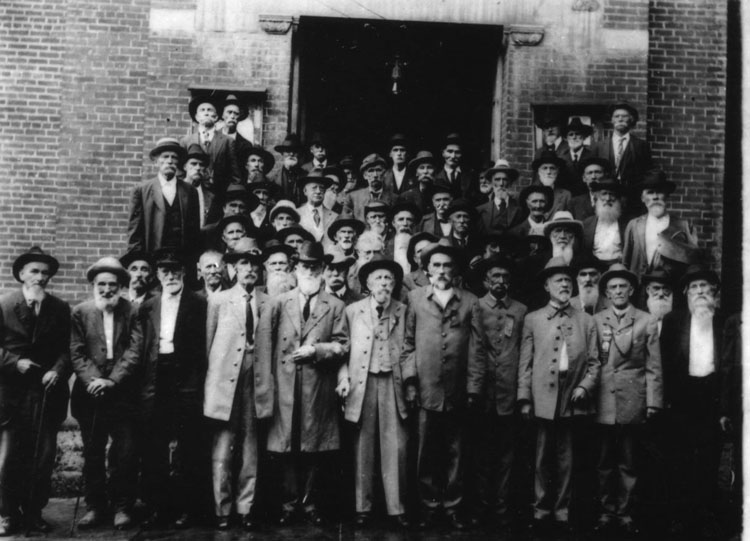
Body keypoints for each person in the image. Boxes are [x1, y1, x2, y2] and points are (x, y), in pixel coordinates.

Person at [254, 241, 349, 527]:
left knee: (313, 449)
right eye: (304, 266)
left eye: (315, 266)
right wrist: (266, 389)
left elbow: (343, 345)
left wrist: (317, 350)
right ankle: (288, 504)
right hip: (284, 387)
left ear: (322, 270)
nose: (310, 270)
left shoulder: (335, 306)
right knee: (285, 448)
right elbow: (264, 348)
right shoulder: (279, 303)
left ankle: (310, 506)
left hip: (317, 387)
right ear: (296, 269)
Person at [400, 238, 486, 530]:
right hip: (426, 388)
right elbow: (407, 343)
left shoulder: (470, 301)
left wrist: (474, 388)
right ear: (426, 269)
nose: (441, 270)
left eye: (447, 265)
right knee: (426, 451)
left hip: (458, 390)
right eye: (435, 265)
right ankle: (429, 505)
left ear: (456, 270)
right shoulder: (414, 299)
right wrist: (410, 381)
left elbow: (476, 348)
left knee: (456, 451)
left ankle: (453, 506)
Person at [123, 249, 207, 529]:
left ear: (184, 272)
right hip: (157, 377)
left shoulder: (198, 303)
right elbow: (142, 347)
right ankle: (161, 508)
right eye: (164, 271)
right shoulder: (148, 306)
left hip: (186, 378)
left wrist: (195, 384)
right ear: (158, 275)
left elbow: (202, 350)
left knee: (187, 446)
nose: (170, 275)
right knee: (155, 446)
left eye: (175, 270)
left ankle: (188, 508)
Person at [517, 257, 600, 534]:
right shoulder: (533, 319)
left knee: (567, 457)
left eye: (567, 280)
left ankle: (562, 510)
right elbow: (525, 364)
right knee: (542, 457)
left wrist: (584, 386)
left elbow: (595, 362)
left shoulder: (586, 321)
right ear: (546, 285)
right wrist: (525, 399)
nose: (564, 284)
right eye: (558, 280)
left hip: (572, 396)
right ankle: (541, 509)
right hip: (542, 396)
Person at [336, 257, 410, 529]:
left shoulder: (403, 310)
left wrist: (410, 383)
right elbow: (342, 348)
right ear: (367, 283)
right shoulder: (353, 311)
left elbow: (410, 348)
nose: (383, 284)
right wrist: (343, 378)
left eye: (388, 279)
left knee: (396, 447)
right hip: (361, 383)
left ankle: (396, 508)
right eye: (378, 279)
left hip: (393, 383)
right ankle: (362, 508)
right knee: (362, 448)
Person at [0, 247, 70, 535]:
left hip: (46, 394)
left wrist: (58, 370)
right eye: (34, 271)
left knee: (42, 458)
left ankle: (34, 512)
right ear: (21, 275)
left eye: (45, 273)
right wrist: (15, 363)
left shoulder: (60, 308)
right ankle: (6, 514)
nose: (40, 277)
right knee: (8, 458)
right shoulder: (4, 306)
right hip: (11, 396)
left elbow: (69, 349)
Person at [204, 238, 270, 531]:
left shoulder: (268, 302)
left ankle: (245, 508)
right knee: (223, 448)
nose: (249, 269)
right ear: (233, 267)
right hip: (224, 383)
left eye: (254, 263)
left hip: (254, 381)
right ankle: (222, 509)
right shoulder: (218, 300)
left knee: (250, 449)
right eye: (244, 263)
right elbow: (209, 345)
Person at [660, 265, 731, 538]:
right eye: (694, 287)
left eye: (705, 287)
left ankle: (706, 513)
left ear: (714, 291)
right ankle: (682, 515)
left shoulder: (725, 321)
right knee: (680, 456)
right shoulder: (674, 321)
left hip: (711, 395)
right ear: (686, 293)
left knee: (710, 457)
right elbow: (665, 363)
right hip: (682, 396)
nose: (700, 292)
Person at [592, 264, 662, 535]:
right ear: (606, 293)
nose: (618, 291)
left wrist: (653, 401)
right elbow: (593, 361)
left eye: (623, 286)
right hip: (603, 399)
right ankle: (606, 511)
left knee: (628, 461)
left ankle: (625, 512)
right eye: (613, 287)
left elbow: (653, 366)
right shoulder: (596, 320)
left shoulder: (646, 320)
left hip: (633, 398)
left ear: (632, 290)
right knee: (604, 461)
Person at [70, 257, 139, 530]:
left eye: (113, 284)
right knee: (93, 452)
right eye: (101, 284)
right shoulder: (80, 312)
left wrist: (112, 381)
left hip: (122, 394)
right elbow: (76, 351)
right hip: (90, 394)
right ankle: (95, 507)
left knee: (125, 453)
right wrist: (94, 380)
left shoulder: (132, 311)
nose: (107, 289)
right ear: (93, 285)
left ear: (121, 286)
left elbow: (135, 350)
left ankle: (123, 507)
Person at [471, 255, 527, 527]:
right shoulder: (475, 306)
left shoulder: (521, 310)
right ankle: (481, 507)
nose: (501, 282)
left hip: (509, 392)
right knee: (481, 454)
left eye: (505, 277)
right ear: (486, 280)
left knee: (507, 455)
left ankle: (502, 508)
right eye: (495, 277)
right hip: (482, 392)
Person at [127, 137, 200, 259]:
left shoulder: (190, 191)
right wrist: (138, 259)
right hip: (152, 257)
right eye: (165, 157)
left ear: (179, 163)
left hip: (182, 258)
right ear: (156, 161)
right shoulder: (141, 190)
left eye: (174, 157)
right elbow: (135, 232)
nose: (170, 161)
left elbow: (194, 233)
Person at [622, 170, 696, 278]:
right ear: (643, 198)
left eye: (660, 192)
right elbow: (626, 261)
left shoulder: (683, 225)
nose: (655, 197)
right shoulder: (634, 225)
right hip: (639, 286)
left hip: (668, 288)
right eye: (650, 192)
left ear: (667, 195)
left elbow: (692, 261)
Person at [181, 96, 242, 193]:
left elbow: (235, 174)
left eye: (209, 110)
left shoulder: (227, 141)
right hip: (191, 192)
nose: (206, 113)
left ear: (216, 117)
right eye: (202, 110)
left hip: (218, 193)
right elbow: (180, 171)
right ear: (197, 117)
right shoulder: (186, 141)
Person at [592, 102, 653, 191]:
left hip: (632, 194)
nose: (620, 119)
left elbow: (647, 172)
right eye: (617, 116)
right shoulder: (599, 146)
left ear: (631, 119)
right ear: (612, 120)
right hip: (606, 194)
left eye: (624, 116)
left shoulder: (641, 145)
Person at [582, 177, 628, 265]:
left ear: (618, 198)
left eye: (612, 194)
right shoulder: (587, 223)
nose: (608, 198)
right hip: (595, 268)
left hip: (619, 267)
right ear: (597, 197)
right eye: (604, 194)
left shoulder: (627, 223)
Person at [344, 154, 397, 222]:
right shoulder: (352, 197)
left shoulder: (395, 199)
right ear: (365, 176)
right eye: (371, 171)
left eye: (378, 170)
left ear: (384, 174)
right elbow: (347, 223)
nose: (375, 175)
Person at [476, 159, 524, 235]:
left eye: (505, 179)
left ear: (510, 183)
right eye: (497, 179)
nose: (501, 184)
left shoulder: (520, 210)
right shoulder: (480, 210)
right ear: (491, 183)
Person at [432, 133, 477, 201]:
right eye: (450, 151)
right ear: (443, 153)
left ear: (461, 154)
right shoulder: (435, 176)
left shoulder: (470, 175)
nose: (453, 156)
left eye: (457, 152)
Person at [297, 170, 338, 242]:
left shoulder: (335, 216)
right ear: (305, 191)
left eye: (321, 188)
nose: (318, 191)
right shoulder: (296, 214)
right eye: (314, 188)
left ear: (325, 191)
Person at [184, 144, 219, 227]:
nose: (198, 167)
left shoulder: (211, 196)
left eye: (201, 164)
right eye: (193, 164)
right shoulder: (176, 190)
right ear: (185, 166)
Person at [531, 150, 571, 219]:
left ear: (557, 171)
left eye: (552, 168)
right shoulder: (531, 193)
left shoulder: (566, 195)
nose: (548, 172)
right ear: (539, 171)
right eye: (545, 168)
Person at [559, 118, 594, 194]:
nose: (574, 137)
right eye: (571, 134)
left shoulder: (592, 156)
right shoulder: (561, 157)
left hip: (585, 196)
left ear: (583, 137)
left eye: (577, 134)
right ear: (566, 138)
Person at [219, 94, 253, 170]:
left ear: (239, 117)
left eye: (236, 113)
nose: (232, 116)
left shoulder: (246, 145)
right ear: (222, 115)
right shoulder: (212, 138)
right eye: (229, 112)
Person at [271, 134, 305, 205]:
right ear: (282, 153)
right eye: (288, 151)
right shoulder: (273, 177)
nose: (291, 154)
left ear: (299, 154)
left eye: (295, 151)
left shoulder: (306, 176)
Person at [641, 268, 674, 333]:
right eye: (656, 288)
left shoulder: (678, 320)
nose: (661, 294)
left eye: (665, 289)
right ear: (648, 290)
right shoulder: (640, 317)